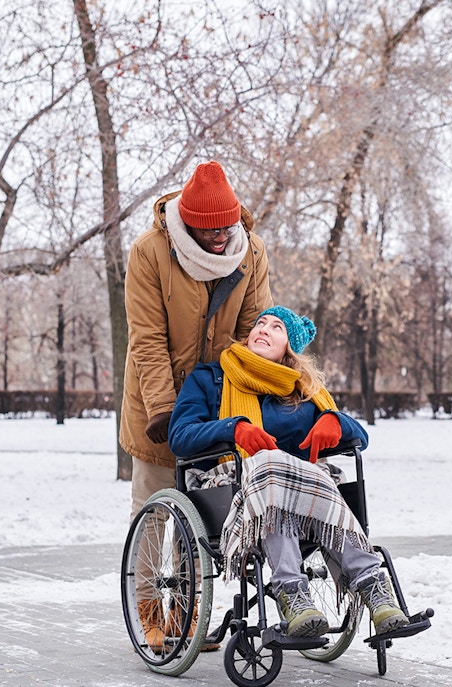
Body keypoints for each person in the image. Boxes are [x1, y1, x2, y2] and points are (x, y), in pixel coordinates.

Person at [168, 306, 410, 638]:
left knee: (291, 470)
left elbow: (361, 438)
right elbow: (179, 436)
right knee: (270, 466)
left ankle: (374, 590)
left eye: (276, 327)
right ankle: (292, 592)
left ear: (289, 348)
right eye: (259, 324)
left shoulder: (304, 392)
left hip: (302, 496)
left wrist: (334, 421)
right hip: (232, 484)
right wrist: (233, 429)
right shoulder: (211, 378)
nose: (263, 329)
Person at [120, 160, 272, 650]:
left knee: (205, 513)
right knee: (156, 511)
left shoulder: (250, 254)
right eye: (207, 232)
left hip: (216, 406)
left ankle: (186, 617)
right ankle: (149, 613)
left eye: (224, 230)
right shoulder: (150, 252)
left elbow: (258, 335)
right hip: (157, 409)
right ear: (188, 222)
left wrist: (264, 401)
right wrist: (164, 410)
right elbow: (147, 340)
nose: (217, 239)